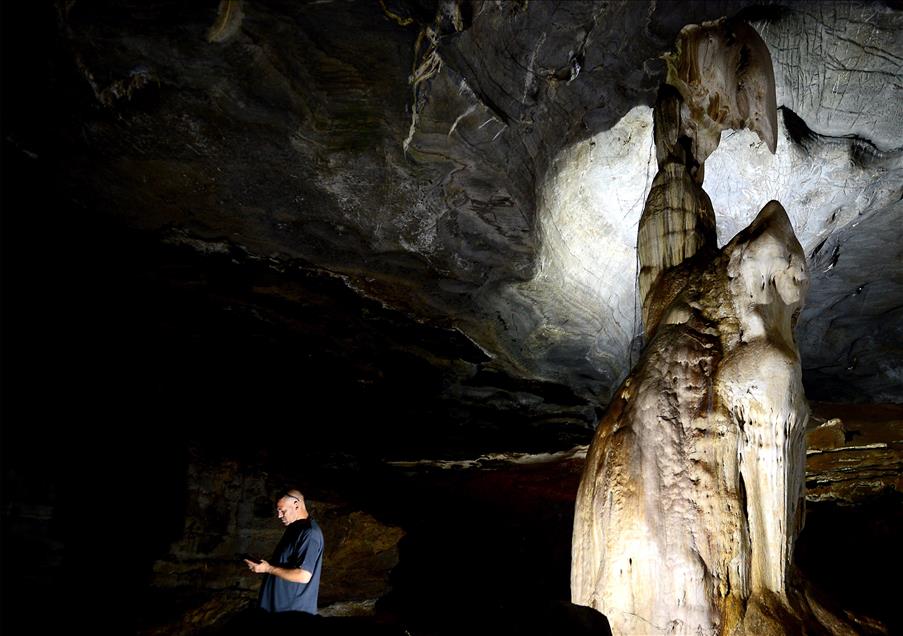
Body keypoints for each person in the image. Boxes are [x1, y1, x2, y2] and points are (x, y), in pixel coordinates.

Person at [245, 489, 324, 614]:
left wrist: (268, 569)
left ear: (297, 505)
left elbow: (303, 575)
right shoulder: (294, 528)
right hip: (279, 609)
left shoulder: (310, 533)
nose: (279, 515)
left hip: (292, 614)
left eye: (282, 510)